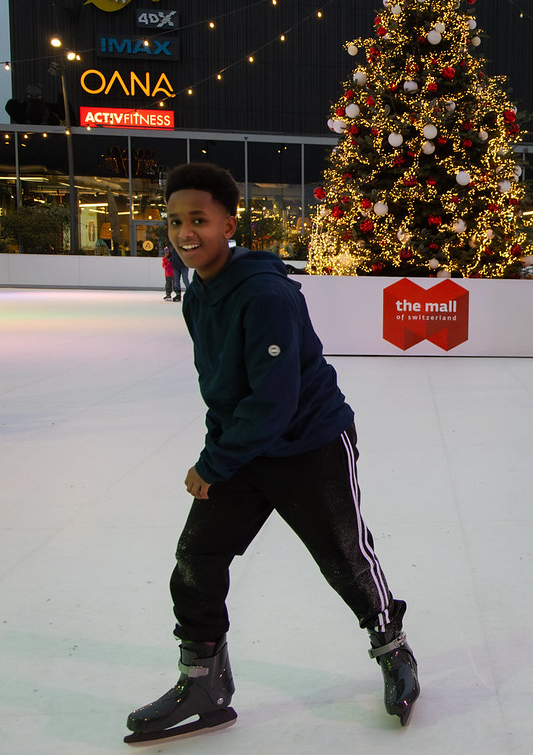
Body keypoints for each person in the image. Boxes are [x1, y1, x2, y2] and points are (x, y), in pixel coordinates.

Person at [125, 163, 419, 744]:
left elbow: (275, 399)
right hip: (246, 446)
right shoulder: (198, 295)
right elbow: (224, 390)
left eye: (199, 220)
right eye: (176, 220)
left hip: (310, 444)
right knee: (196, 562)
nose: (185, 232)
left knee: (345, 561)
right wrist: (220, 454)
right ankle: (204, 684)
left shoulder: (264, 294)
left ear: (229, 223)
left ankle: (394, 650)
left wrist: (212, 464)